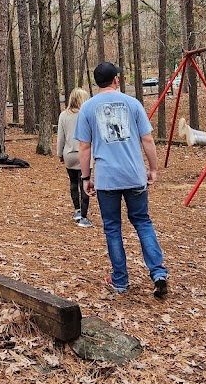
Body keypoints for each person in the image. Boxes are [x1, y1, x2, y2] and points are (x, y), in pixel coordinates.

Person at [75, 62, 168, 298]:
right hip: (134, 175)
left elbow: (84, 147)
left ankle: (120, 281)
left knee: (113, 228)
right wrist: (153, 168)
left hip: (107, 178)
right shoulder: (133, 103)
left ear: (97, 83)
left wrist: (86, 177)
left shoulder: (87, 108)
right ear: (115, 80)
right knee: (143, 222)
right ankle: (158, 272)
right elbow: (147, 139)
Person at [57, 88, 91, 227]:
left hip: (69, 154)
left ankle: (77, 210)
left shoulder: (64, 115)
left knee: (73, 183)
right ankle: (83, 217)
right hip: (86, 154)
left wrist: (60, 153)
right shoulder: (87, 115)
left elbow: (61, 138)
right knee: (85, 184)